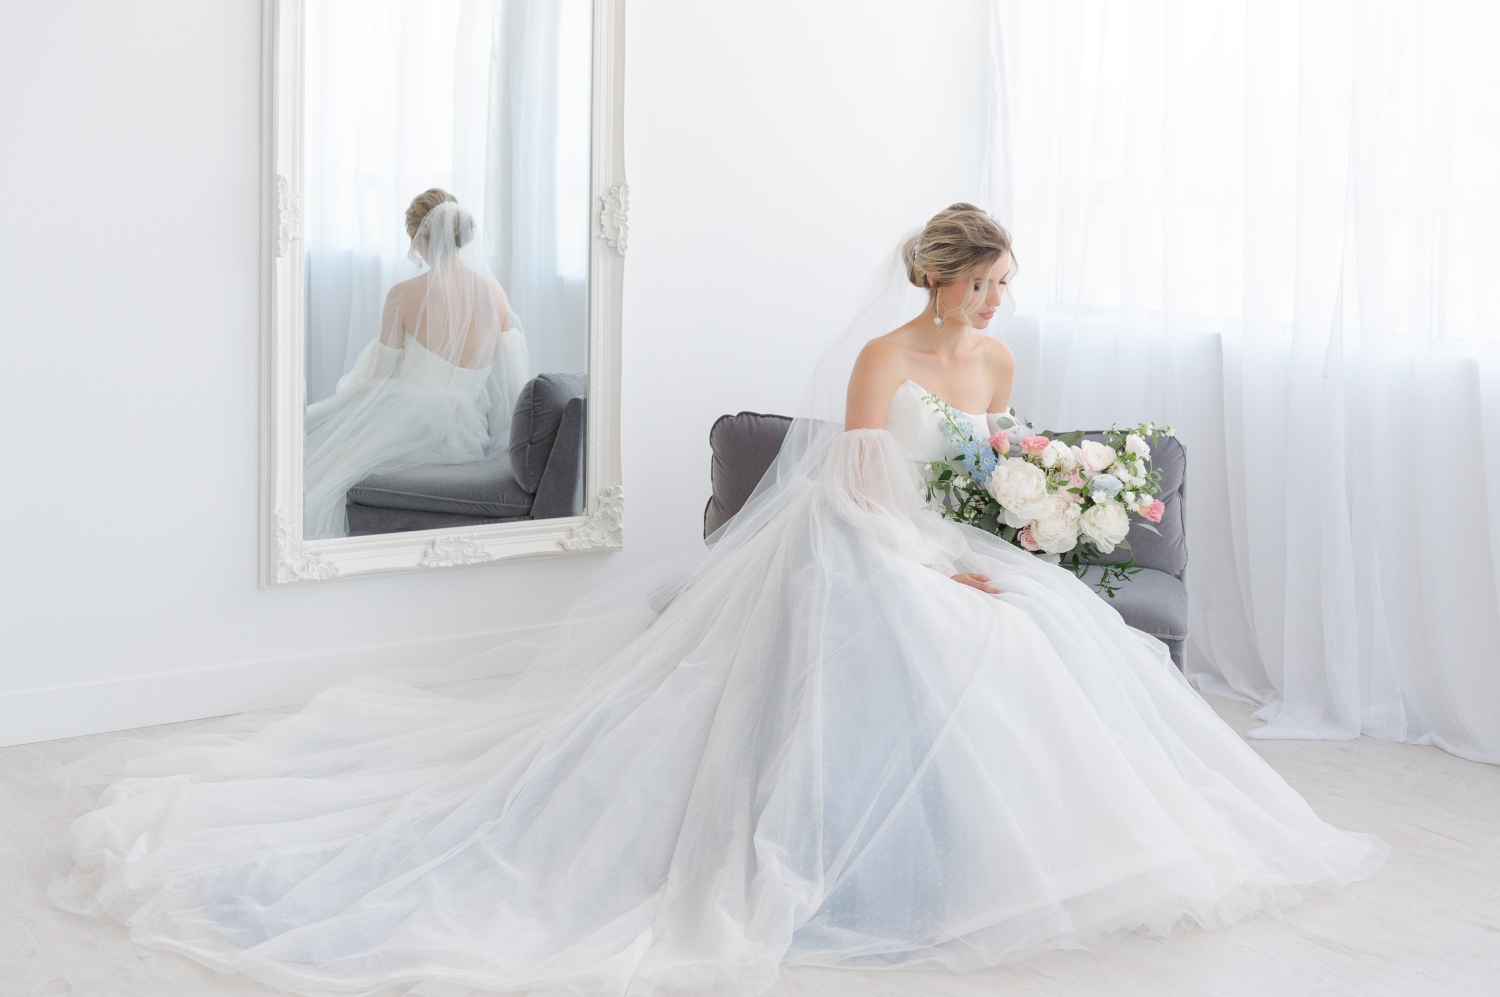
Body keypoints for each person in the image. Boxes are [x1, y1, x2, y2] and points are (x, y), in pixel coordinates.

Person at [50, 204, 1384, 996]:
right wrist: (944, 560)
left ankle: (983, 846)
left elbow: (988, 465)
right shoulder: (885, 355)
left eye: (1001, 290)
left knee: (1040, 632)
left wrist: (1014, 523)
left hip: (950, 540)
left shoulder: (1000, 355)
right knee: (943, 622)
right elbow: (864, 491)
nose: (993, 304)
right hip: (862, 541)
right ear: (938, 280)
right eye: (981, 285)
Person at [302, 189, 529, 539]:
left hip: (409, 418)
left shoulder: (403, 295)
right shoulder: (496, 296)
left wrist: (351, 397)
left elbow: (380, 377)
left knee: (308, 439)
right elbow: (507, 381)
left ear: (419, 237)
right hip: (469, 432)